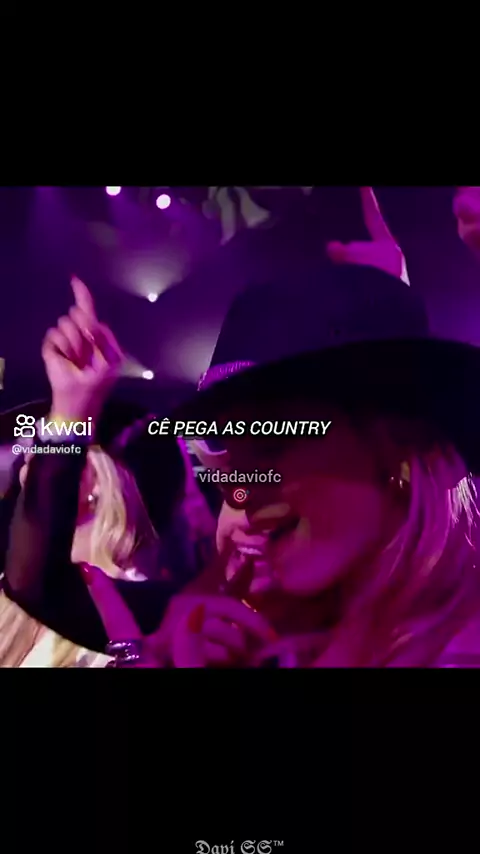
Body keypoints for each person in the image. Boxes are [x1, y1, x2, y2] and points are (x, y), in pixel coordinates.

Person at [54, 258, 480, 667]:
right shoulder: (286, 633)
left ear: (397, 444)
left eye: (273, 442)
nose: (240, 489)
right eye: (228, 452)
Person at [2, 277, 215, 653]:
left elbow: (40, 581)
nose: (34, 450)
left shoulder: (139, 608)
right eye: (42, 437)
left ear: (100, 481)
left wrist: (72, 412)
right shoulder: (11, 580)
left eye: (48, 439)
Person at [0, 442, 159, 666]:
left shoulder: (131, 608)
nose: (30, 453)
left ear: (99, 480)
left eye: (57, 448)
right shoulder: (15, 574)